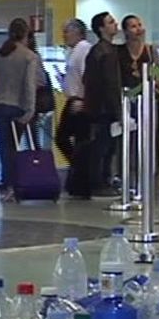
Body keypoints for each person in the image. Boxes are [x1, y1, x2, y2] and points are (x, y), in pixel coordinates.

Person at [0, 18, 39, 202]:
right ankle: (14, 186)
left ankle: (7, 185)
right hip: (16, 106)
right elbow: (29, 86)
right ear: (26, 34)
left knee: (4, 149)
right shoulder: (29, 56)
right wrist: (30, 110)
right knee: (15, 149)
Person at [81, 12, 123, 197]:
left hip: (101, 107)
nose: (115, 24)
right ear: (101, 28)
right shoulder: (103, 52)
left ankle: (103, 180)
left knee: (107, 146)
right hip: (103, 108)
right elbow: (109, 83)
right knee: (103, 147)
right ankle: (99, 183)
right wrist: (117, 108)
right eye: (110, 22)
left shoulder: (106, 51)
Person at [58, 19, 93, 196]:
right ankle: (78, 174)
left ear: (77, 32)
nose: (64, 35)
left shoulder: (84, 49)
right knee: (68, 140)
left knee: (68, 139)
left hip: (79, 101)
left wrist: (84, 100)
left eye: (67, 31)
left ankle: (80, 176)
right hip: (73, 99)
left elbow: (88, 76)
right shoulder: (73, 52)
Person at [25, 31, 55, 152]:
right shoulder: (34, 55)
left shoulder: (32, 57)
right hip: (30, 102)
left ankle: (34, 164)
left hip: (30, 103)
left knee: (31, 137)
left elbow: (40, 80)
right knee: (32, 137)